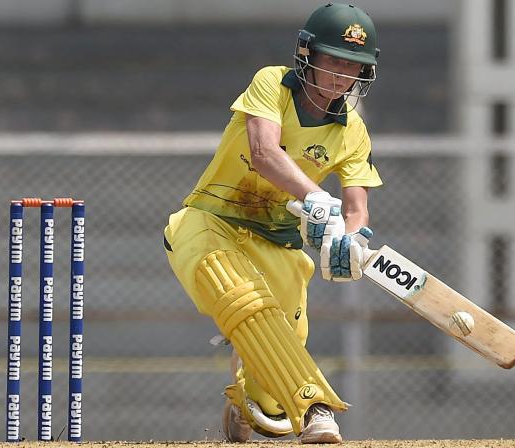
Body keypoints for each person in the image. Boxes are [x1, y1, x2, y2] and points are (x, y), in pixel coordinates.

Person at [163, 2, 382, 443]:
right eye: (334, 61)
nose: (342, 76)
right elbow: (264, 154)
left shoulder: (352, 130)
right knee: (247, 301)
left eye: (354, 66)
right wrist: (318, 198)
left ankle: (248, 403)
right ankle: (317, 408)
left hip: (277, 243)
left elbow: (356, 206)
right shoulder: (272, 84)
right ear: (307, 57)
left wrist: (349, 240)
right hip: (208, 222)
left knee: (279, 355)